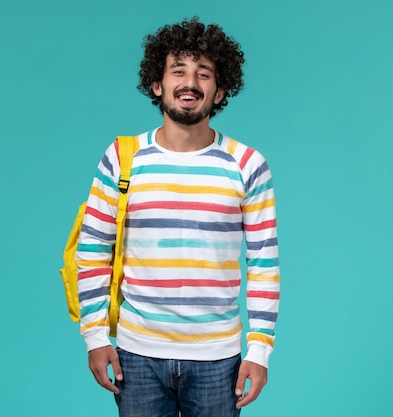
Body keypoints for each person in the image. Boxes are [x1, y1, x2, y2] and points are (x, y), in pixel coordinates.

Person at [75, 17, 280, 417]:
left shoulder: (248, 165)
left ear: (220, 91)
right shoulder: (121, 159)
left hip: (220, 360)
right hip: (136, 356)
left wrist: (260, 350)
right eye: (178, 71)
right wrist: (95, 338)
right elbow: (93, 250)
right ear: (157, 84)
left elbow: (264, 265)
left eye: (204, 74)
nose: (191, 83)